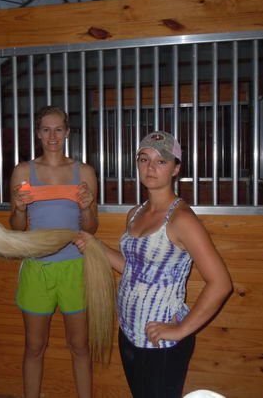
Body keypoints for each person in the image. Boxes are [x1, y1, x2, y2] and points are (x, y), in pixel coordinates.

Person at [74, 131, 232, 398]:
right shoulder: (135, 213)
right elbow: (134, 270)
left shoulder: (182, 220)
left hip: (161, 341)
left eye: (161, 161)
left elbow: (221, 284)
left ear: (176, 168)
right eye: (144, 159)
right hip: (129, 330)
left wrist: (181, 329)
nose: (150, 167)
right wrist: (95, 246)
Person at [9, 105, 98, 398]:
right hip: (37, 267)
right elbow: (17, 227)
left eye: (58, 129)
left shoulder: (84, 172)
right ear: (38, 133)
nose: (52, 136)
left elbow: (92, 227)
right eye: (46, 129)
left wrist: (86, 207)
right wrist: (19, 209)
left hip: (75, 266)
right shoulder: (23, 171)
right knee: (34, 347)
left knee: (80, 346)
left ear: (67, 132)